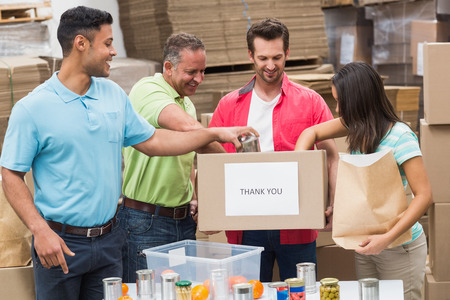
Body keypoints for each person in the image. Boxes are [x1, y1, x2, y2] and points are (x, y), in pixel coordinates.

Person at [0, 6, 256, 300]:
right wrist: (39, 230)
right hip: (60, 244)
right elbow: (10, 174)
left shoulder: (112, 95)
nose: (113, 51)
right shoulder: (33, 108)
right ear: (81, 44)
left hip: (110, 242)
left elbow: (154, 141)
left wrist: (213, 133)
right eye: (107, 43)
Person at [209, 18, 339, 282]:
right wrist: (208, 207)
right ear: (250, 55)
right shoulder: (229, 105)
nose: (270, 65)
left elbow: (332, 156)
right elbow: (211, 161)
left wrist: (334, 202)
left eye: (277, 57)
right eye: (263, 58)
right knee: (248, 295)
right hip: (245, 226)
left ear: (287, 53)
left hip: (297, 222)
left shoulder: (310, 101)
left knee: (301, 294)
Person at [295, 61, 432, 300]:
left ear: (358, 101)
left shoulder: (401, 137)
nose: (337, 110)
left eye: (341, 102)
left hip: (399, 247)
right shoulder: (356, 127)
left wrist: (386, 239)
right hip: (365, 244)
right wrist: (299, 169)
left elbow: (424, 196)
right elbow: (311, 133)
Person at [118, 32, 225, 283]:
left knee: (184, 291)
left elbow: (185, 157)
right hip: (146, 222)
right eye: (191, 72)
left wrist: (195, 197)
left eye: (203, 71)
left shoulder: (187, 103)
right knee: (148, 294)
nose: (198, 79)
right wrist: (236, 164)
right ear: (168, 67)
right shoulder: (147, 89)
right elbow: (192, 132)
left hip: (182, 221)